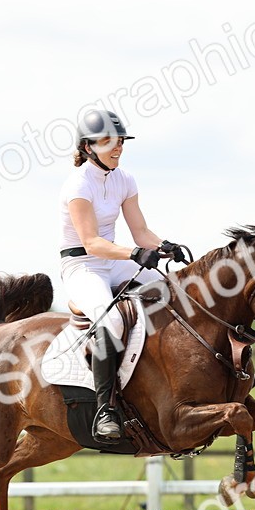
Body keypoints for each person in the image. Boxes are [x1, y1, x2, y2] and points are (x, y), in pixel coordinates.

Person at [58, 109, 185, 444]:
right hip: (82, 265)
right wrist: (134, 254)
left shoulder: (125, 179)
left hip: (113, 260)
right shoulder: (78, 185)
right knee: (112, 321)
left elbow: (141, 232)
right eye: (107, 142)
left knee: (173, 294)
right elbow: (91, 242)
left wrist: (164, 246)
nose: (117, 148)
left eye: (120, 142)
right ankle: (105, 410)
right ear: (88, 147)